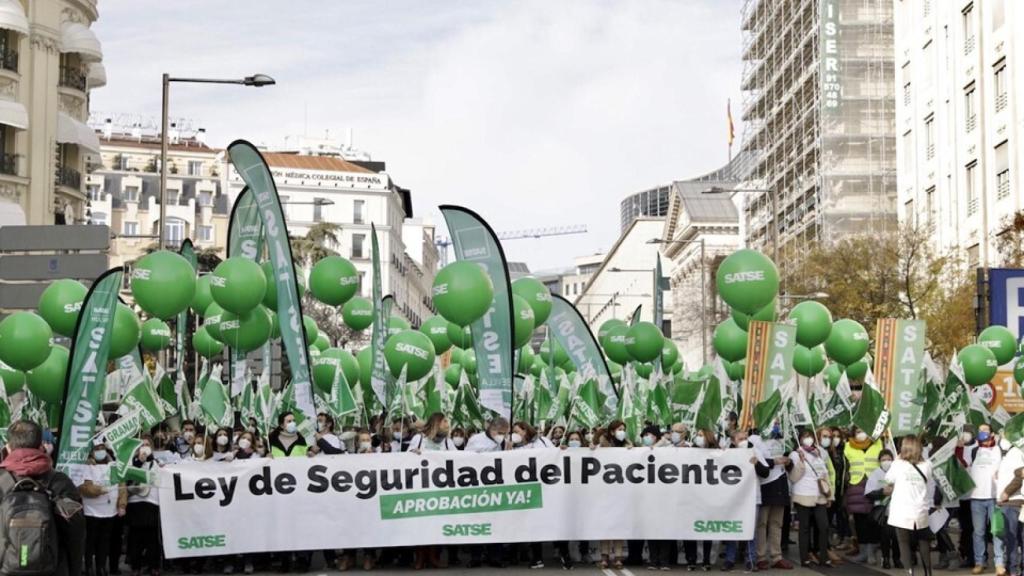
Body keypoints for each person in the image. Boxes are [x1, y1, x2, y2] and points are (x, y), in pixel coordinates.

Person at [0, 420, 84, 576]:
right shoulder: (60, 481)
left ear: (8, 447)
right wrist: (74, 570)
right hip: (53, 569)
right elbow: (76, 533)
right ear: (41, 446)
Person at [511, 421, 563, 569]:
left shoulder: (543, 441)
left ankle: (561, 553)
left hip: (546, 488)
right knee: (532, 524)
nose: (516, 435)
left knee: (547, 522)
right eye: (514, 432)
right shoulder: (514, 446)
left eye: (518, 431)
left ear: (526, 430)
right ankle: (536, 557)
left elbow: (555, 457)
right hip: (527, 490)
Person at [408, 413, 453, 569]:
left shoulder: (448, 442)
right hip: (421, 488)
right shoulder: (419, 439)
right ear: (436, 423)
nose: (448, 424)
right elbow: (405, 460)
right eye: (445, 421)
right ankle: (420, 557)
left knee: (436, 524)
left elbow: (457, 459)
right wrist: (415, 455)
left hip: (440, 490)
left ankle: (434, 556)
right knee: (420, 523)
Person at [885, 435, 933, 576]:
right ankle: (927, 573)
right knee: (923, 541)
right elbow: (928, 480)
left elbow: (888, 478)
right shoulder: (927, 465)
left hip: (902, 510)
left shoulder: (898, 465)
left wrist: (897, 460)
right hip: (920, 509)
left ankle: (909, 572)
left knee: (903, 543)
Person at [80, 440, 127, 576]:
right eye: (97, 449)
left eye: (102, 448)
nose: (100, 451)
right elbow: (84, 487)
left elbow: (122, 487)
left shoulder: (114, 466)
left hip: (109, 511)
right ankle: (88, 566)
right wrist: (100, 490)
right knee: (90, 540)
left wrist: (122, 505)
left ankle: (101, 566)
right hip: (92, 511)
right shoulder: (87, 466)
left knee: (104, 540)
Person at [752, 422, 794, 571]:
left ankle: (777, 556)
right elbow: (756, 461)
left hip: (781, 486)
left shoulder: (783, 441)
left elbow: (789, 463)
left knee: (777, 523)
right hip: (765, 486)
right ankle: (761, 556)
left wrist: (789, 462)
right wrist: (773, 461)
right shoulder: (755, 440)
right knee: (762, 524)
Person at [789, 428, 833, 567]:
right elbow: (793, 477)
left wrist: (829, 495)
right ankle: (805, 558)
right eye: (805, 437)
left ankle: (824, 557)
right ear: (800, 439)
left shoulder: (817, 453)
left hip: (819, 495)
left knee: (824, 526)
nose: (809, 439)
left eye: (810, 436)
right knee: (805, 527)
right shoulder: (795, 454)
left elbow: (825, 475)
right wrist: (801, 462)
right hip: (803, 495)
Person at [845, 425, 883, 564]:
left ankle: (871, 552)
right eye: (858, 431)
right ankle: (863, 552)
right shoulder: (848, 446)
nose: (861, 434)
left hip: (874, 486)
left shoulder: (878, 443)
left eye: (863, 431)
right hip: (856, 486)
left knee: (873, 520)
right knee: (859, 521)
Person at [969, 423, 1002, 574]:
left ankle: (999, 562)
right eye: (980, 430)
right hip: (976, 498)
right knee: (979, 532)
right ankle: (979, 562)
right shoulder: (975, 450)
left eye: (986, 430)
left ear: (992, 433)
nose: (983, 432)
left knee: (996, 531)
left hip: (994, 497)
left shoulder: (998, 449)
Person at [722, 428, 757, 572]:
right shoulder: (727, 454)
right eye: (740, 439)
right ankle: (729, 559)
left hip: (751, 497)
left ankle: (751, 559)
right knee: (732, 528)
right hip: (733, 498)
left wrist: (757, 463)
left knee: (750, 529)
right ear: (733, 441)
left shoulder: (754, 451)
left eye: (745, 438)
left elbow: (765, 472)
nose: (744, 441)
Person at [126, 436, 161, 576]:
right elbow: (127, 478)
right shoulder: (131, 462)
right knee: (136, 536)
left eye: (147, 445)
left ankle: (154, 566)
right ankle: (136, 566)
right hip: (135, 502)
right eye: (142, 445)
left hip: (152, 502)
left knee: (152, 537)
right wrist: (138, 463)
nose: (145, 447)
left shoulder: (156, 463)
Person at [683, 428, 717, 571]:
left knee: (706, 529)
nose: (698, 437)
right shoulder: (690, 451)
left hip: (707, 497)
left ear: (708, 437)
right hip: (691, 496)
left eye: (701, 435)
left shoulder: (717, 453)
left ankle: (706, 559)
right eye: (697, 435)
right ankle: (691, 559)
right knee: (688, 529)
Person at [864, 450, 901, 569]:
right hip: (883, 511)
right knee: (885, 536)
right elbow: (868, 493)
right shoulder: (876, 474)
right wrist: (882, 492)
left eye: (889, 459)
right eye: (883, 460)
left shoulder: (899, 473)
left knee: (897, 536)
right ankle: (885, 558)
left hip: (897, 510)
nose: (886, 462)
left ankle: (897, 558)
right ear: (879, 461)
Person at [996, 435, 1024, 576]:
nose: (1001, 438)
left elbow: (1020, 474)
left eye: (1004, 435)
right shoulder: (1007, 454)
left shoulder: (1017, 453)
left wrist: (1006, 492)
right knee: (1012, 538)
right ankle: (1012, 568)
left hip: (1014, 501)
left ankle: (1013, 569)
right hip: (1008, 502)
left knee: (1012, 538)